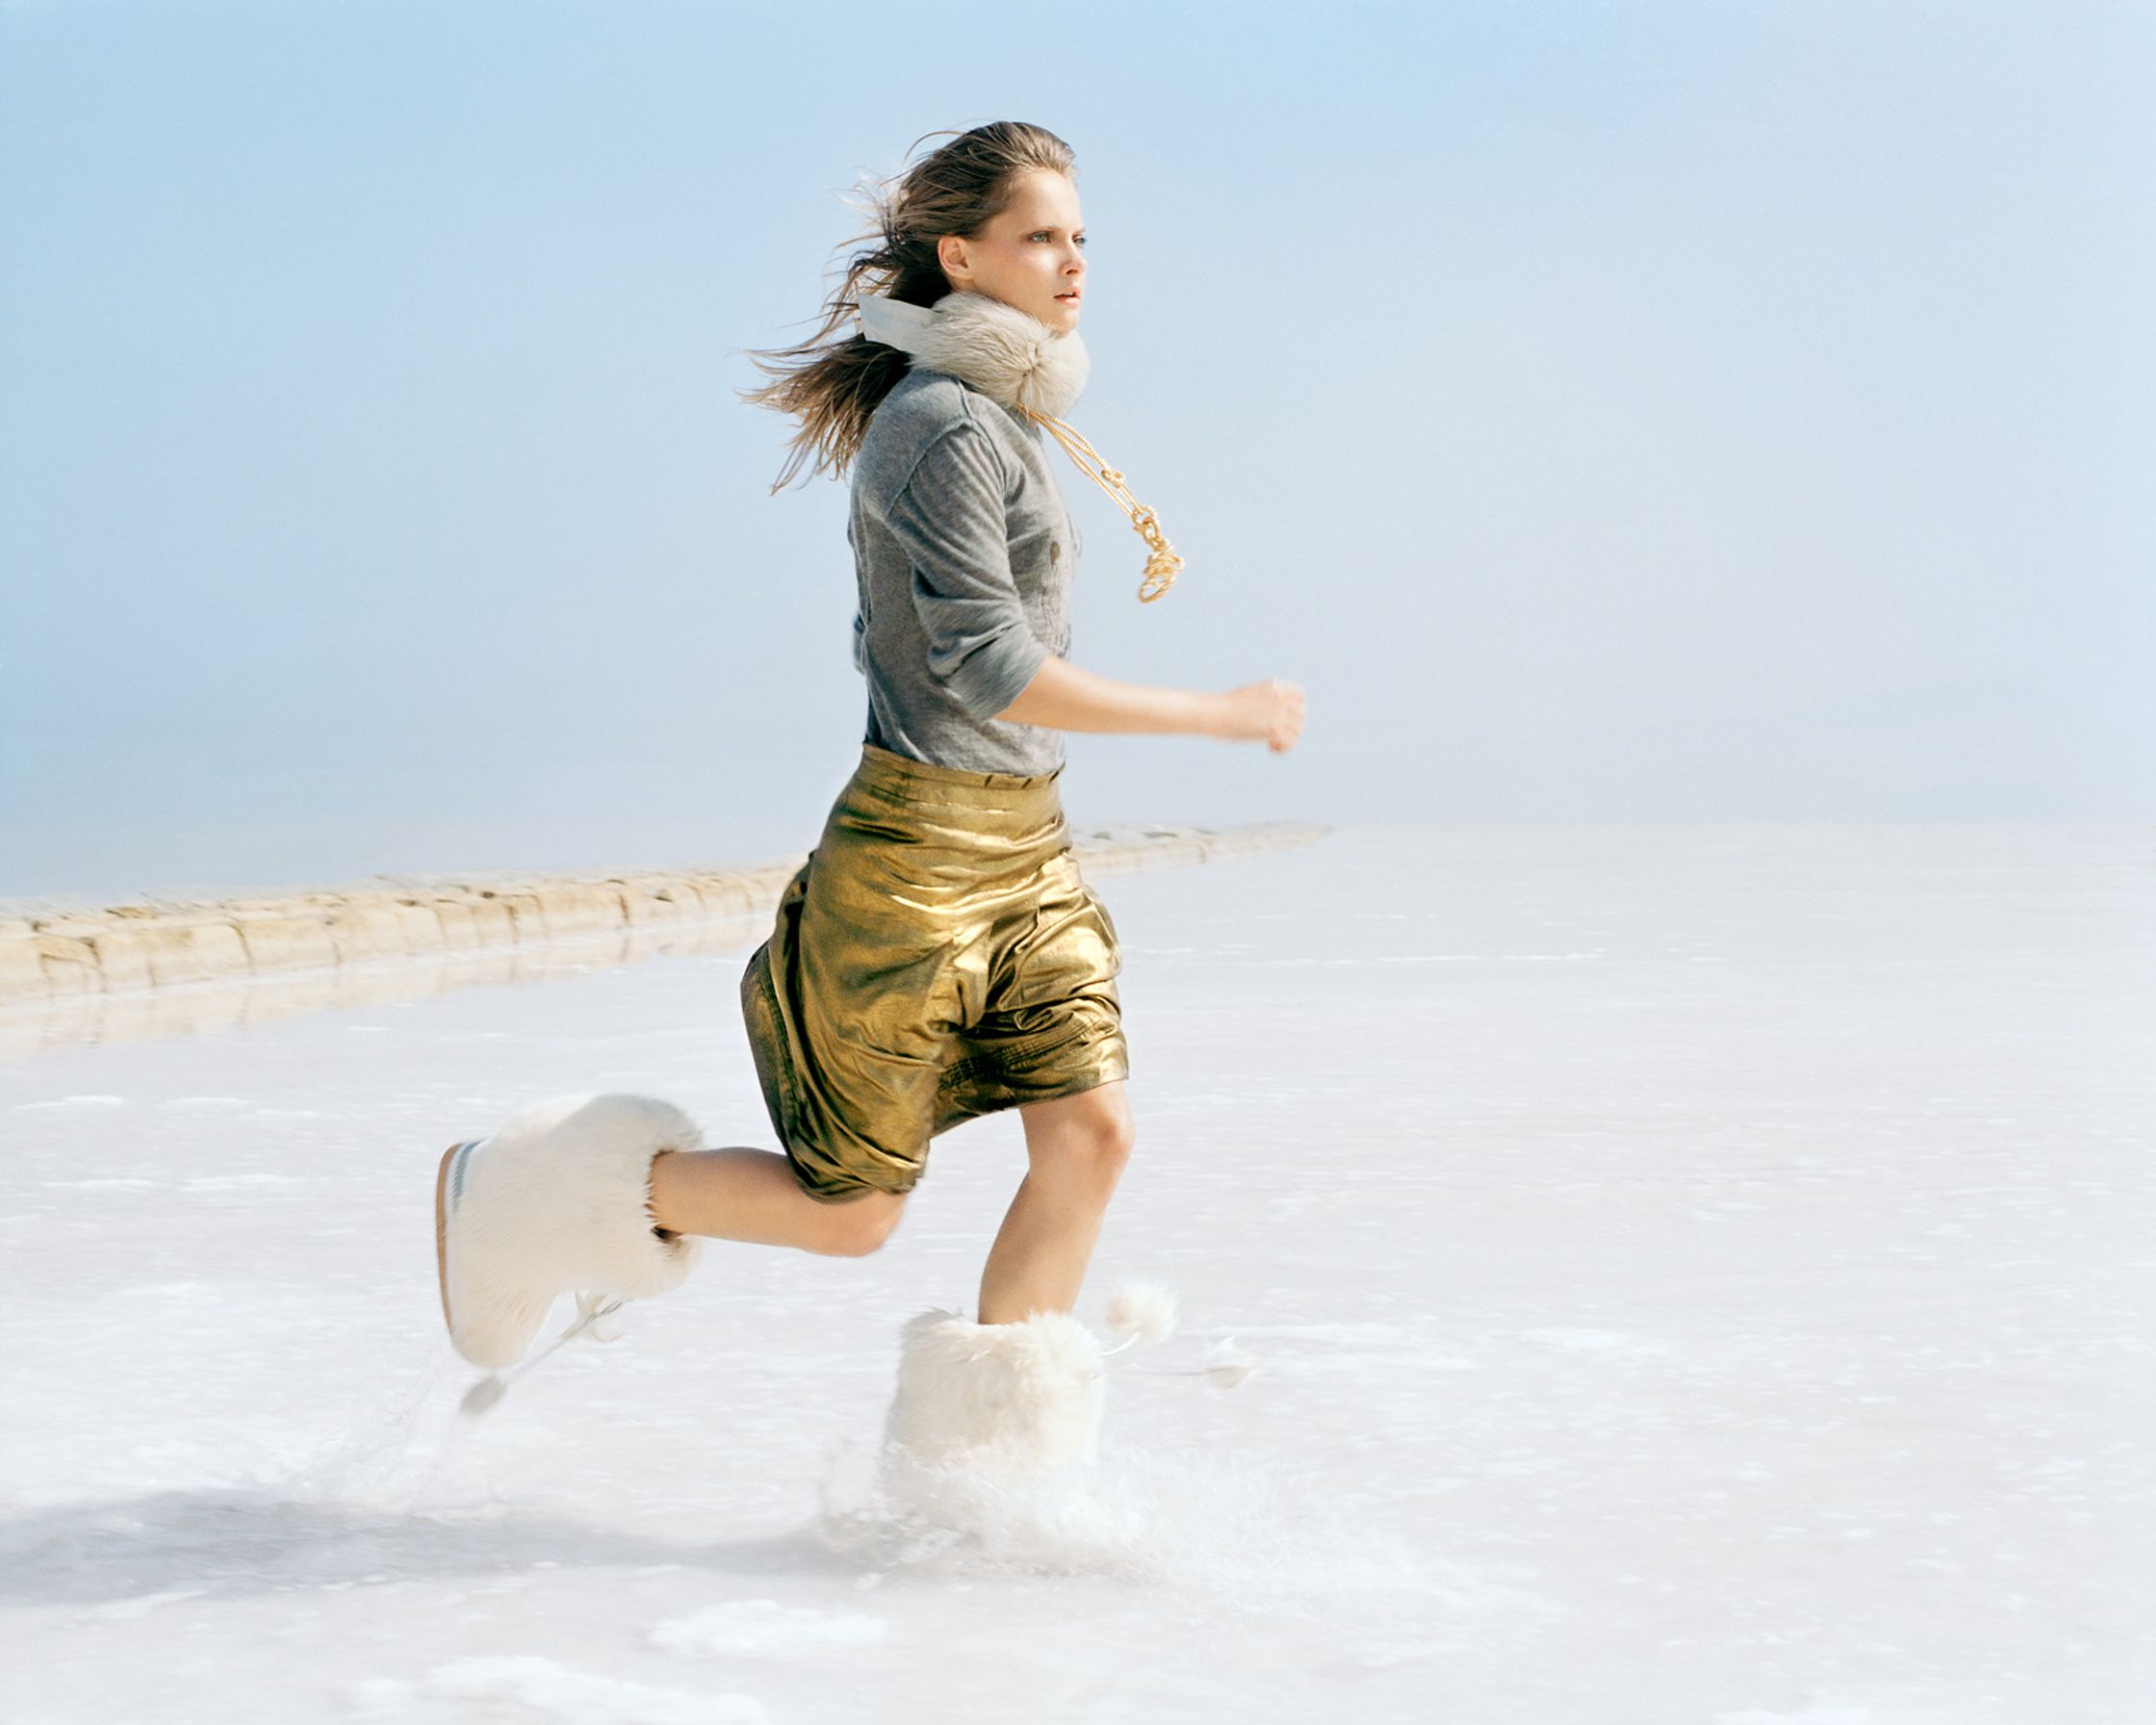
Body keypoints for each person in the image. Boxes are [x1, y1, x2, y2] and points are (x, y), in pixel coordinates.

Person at [432, 120, 1303, 1470]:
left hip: (1029, 850)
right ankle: (527, 1186)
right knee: (851, 1215)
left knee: (1092, 1137)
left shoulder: (1000, 415)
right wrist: (1216, 715)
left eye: (1080, 237)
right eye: (1040, 238)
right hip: (915, 866)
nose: (1073, 263)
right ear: (961, 257)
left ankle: (988, 1480)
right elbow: (993, 668)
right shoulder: (939, 425)